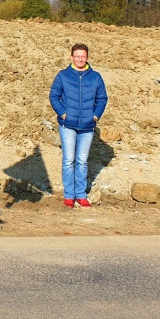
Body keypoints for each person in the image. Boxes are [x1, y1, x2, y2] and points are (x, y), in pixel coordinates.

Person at [49, 43, 108, 208]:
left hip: (88, 126)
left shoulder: (95, 77)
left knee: (82, 161)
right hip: (67, 125)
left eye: (83, 56)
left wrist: (95, 116)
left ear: (87, 57)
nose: (80, 59)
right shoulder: (63, 75)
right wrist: (63, 113)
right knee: (68, 160)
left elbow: (102, 98)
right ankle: (69, 195)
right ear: (72, 57)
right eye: (77, 56)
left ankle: (81, 195)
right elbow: (54, 96)